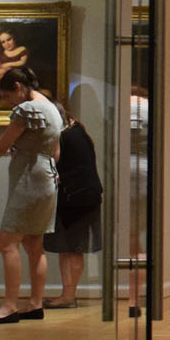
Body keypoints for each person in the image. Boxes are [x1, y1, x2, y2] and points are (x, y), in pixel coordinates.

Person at [0, 65, 62, 324]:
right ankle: (35, 304)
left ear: (17, 87)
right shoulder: (52, 108)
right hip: (46, 177)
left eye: (8, 96)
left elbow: (0, 146)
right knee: (34, 244)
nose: (8, 102)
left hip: (29, 179)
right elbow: (55, 151)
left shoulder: (28, 109)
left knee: (7, 243)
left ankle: (9, 307)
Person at [39, 89, 102, 310]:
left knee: (72, 247)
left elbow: (60, 163)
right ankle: (67, 295)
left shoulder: (68, 135)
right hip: (80, 196)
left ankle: (68, 296)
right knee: (69, 248)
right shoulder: (76, 131)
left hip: (77, 198)